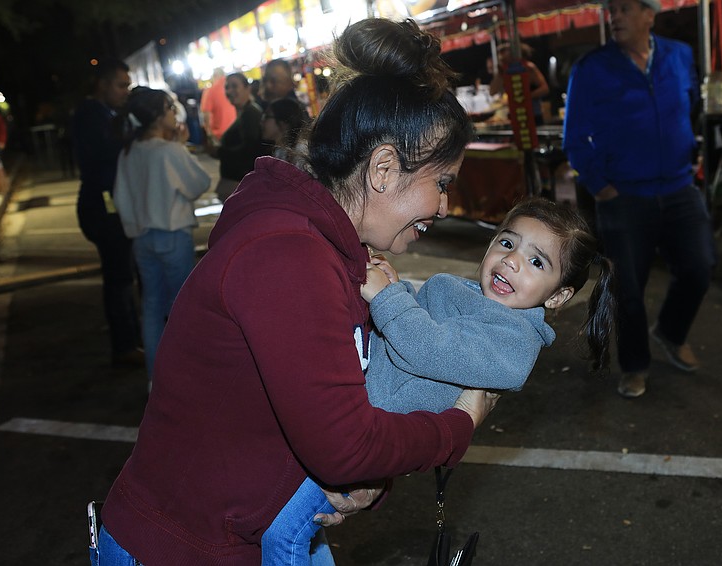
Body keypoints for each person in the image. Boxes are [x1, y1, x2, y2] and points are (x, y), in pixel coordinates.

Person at [97, 18, 499, 566]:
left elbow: (333, 417)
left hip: (257, 532)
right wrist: (458, 425)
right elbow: (343, 447)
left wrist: (368, 483)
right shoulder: (288, 255)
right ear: (383, 168)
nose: (445, 208)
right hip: (185, 548)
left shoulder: (330, 249)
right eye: (443, 183)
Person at [261, 196, 617, 564]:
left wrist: (386, 294)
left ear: (558, 296)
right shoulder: (463, 291)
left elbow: (426, 345)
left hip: (365, 439)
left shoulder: (512, 345)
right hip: (346, 417)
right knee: (306, 532)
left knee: (282, 535)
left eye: (536, 262)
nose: (511, 261)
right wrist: (398, 287)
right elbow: (421, 311)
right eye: (507, 243)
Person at [562, 0, 714, 398]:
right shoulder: (591, 68)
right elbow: (574, 138)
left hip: (680, 188)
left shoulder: (680, 56)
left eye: (626, 8)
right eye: (612, 9)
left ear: (650, 14)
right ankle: (634, 365)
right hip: (624, 196)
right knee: (628, 289)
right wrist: (601, 187)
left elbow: (693, 107)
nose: (615, 16)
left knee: (700, 267)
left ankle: (670, 331)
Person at [112, 89, 211, 382]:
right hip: (172, 235)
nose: (173, 112)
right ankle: (184, 376)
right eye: (169, 107)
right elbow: (198, 183)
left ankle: (156, 378)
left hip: (142, 238)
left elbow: (121, 198)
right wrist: (180, 147)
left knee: (153, 307)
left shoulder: (129, 152)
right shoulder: (168, 150)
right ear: (157, 115)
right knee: (181, 308)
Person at [72, 59, 144, 368]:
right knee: (118, 277)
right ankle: (124, 345)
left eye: (127, 85)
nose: (125, 91)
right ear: (102, 85)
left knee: (122, 274)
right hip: (103, 206)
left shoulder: (105, 114)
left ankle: (130, 339)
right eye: (120, 85)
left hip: (107, 203)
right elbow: (110, 151)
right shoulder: (91, 115)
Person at [208, 72, 270, 202]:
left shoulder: (251, 114)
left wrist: (218, 151)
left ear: (247, 88)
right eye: (227, 87)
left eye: (234, 86)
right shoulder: (244, 113)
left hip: (243, 186)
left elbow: (250, 150)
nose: (229, 91)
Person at [490, 42, 550, 125]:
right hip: (515, 116)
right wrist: (499, 75)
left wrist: (525, 96)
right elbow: (492, 92)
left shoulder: (528, 67)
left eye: (504, 52)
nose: (501, 57)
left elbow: (545, 89)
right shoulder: (504, 71)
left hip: (533, 114)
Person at [261, 97, 310, 167]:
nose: (262, 122)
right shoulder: (279, 152)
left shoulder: (301, 152)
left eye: (266, 117)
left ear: (283, 122)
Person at [200, 67, 236, 146]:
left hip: (220, 134)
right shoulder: (234, 88)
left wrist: (209, 133)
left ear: (215, 76)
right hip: (236, 129)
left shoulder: (210, 91)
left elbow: (206, 114)